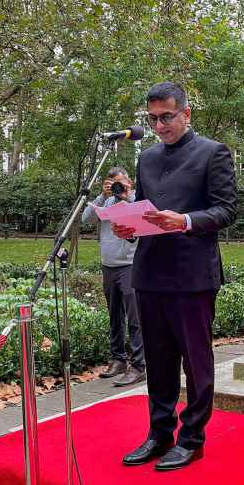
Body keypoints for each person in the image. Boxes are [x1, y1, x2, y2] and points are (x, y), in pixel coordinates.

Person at [112, 81, 237, 471]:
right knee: (159, 360)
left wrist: (184, 221)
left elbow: (226, 210)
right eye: (153, 120)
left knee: (195, 362)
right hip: (149, 271)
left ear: (186, 112)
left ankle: (192, 438)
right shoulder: (147, 158)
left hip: (192, 275)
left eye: (167, 117)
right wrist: (128, 225)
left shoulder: (213, 153)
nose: (161, 125)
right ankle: (159, 433)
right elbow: (145, 208)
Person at [81, 166, 146, 387]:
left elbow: (143, 219)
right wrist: (102, 195)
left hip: (130, 265)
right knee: (114, 316)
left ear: (129, 182)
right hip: (108, 266)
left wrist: (126, 197)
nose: (117, 187)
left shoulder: (136, 199)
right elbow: (86, 218)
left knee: (135, 317)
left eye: (120, 183)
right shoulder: (105, 201)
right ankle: (118, 359)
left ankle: (139, 365)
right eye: (113, 184)